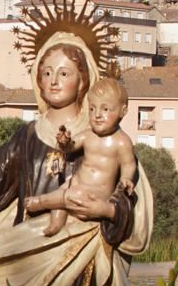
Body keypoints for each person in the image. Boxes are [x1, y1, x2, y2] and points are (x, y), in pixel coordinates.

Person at [0, 0, 153, 286]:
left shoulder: (105, 138)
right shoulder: (29, 135)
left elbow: (129, 200)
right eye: (46, 72)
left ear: (83, 79)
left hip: (81, 257)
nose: (53, 81)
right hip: (29, 247)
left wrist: (104, 211)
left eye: (64, 73)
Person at [25, 77, 136, 237]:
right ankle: (56, 223)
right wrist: (64, 142)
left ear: (122, 111)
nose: (97, 115)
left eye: (105, 110)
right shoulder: (88, 135)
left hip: (95, 196)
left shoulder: (122, 142)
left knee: (68, 195)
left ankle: (41, 202)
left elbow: (129, 164)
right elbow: (71, 147)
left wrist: (126, 179)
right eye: (92, 109)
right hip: (76, 185)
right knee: (64, 190)